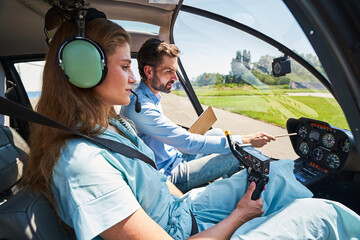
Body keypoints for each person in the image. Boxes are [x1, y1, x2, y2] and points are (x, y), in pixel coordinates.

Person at [21, 10, 360, 240]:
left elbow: (154, 177)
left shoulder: (110, 126)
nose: (134, 77)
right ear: (84, 71)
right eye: (125, 65)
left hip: (182, 209)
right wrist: (239, 216)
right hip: (180, 229)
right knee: (321, 214)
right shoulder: (83, 163)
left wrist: (195, 195)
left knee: (276, 174)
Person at [121, 38, 276, 192]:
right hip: (170, 175)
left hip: (175, 157)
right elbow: (187, 143)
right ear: (148, 71)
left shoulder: (148, 96)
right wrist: (246, 139)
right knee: (234, 154)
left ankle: (232, 186)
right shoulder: (141, 108)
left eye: (175, 71)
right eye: (169, 71)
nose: (175, 78)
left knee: (217, 133)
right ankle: (243, 195)